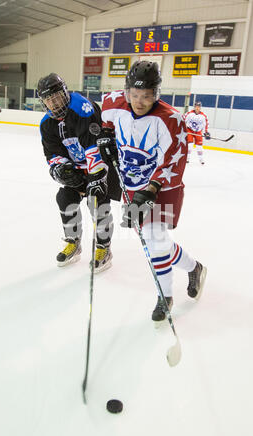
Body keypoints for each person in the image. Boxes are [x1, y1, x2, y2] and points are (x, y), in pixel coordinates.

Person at [98, 61, 207, 323]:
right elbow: (106, 121)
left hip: (163, 186)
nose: (139, 101)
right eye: (134, 95)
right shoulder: (113, 102)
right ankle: (194, 268)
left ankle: (165, 296)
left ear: (156, 94)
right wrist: (105, 135)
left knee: (155, 240)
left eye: (146, 96)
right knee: (154, 241)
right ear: (126, 91)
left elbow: (174, 160)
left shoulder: (170, 119)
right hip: (131, 185)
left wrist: (153, 188)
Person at [37, 73, 121, 271]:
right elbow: (52, 153)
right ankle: (73, 242)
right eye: (48, 99)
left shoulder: (83, 109)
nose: (54, 103)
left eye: (56, 96)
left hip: (100, 165)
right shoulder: (46, 124)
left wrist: (96, 179)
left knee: (98, 201)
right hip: (78, 168)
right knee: (65, 197)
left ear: (65, 93)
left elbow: (94, 147)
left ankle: (103, 247)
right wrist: (61, 167)